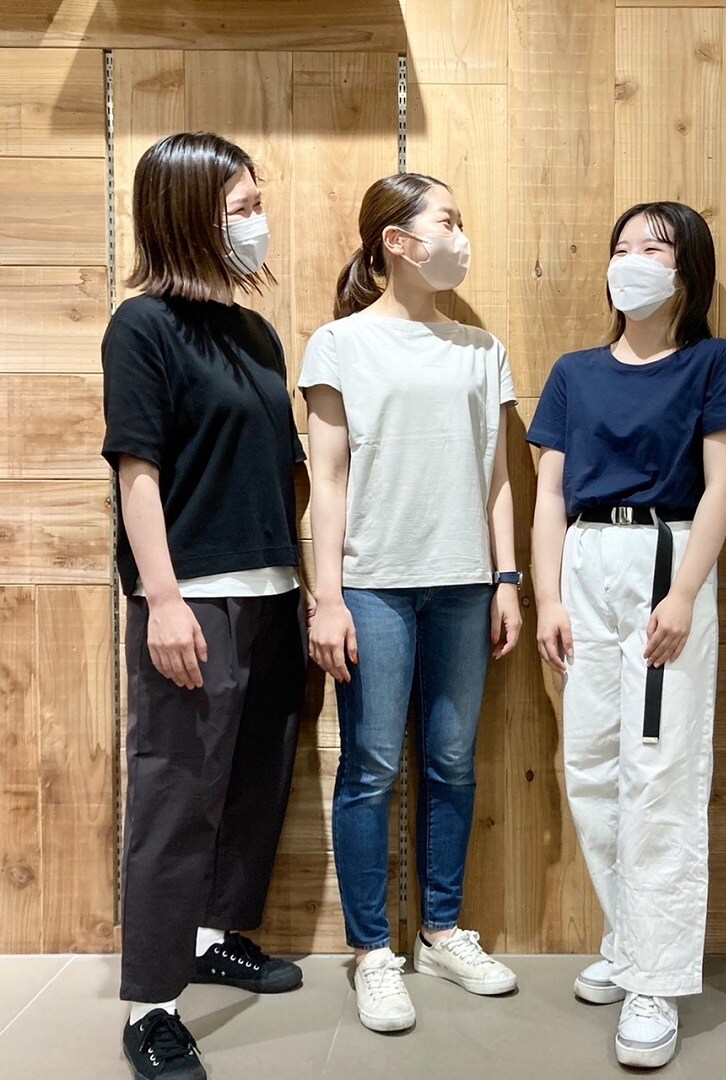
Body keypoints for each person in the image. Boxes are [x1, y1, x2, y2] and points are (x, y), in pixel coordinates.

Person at [102, 132, 308, 1080]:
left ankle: (213, 937)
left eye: (257, 206)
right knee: (176, 796)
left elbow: (278, 472)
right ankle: (150, 1003)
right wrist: (163, 600)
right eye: (240, 209)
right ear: (187, 216)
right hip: (197, 600)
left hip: (273, 593)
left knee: (254, 783)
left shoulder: (255, 333)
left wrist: (308, 588)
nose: (257, 224)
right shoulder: (142, 327)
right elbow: (137, 472)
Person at [528, 201, 726, 1068]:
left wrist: (686, 592)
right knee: (590, 765)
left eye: (652, 248)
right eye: (621, 247)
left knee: (661, 769)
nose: (631, 261)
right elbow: (550, 492)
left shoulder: (711, 362)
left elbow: (724, 483)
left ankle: (655, 981)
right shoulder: (575, 372)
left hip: (666, 555)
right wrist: (548, 597)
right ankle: (630, 941)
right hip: (586, 561)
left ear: (685, 269)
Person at [300, 173, 522, 1034]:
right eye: (447, 221)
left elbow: (498, 477)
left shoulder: (481, 350)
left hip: (464, 583)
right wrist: (327, 598)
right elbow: (327, 479)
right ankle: (371, 952)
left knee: (453, 762)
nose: (460, 237)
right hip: (373, 585)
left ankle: (439, 932)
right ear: (396, 240)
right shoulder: (339, 344)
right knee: (371, 767)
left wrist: (508, 579)